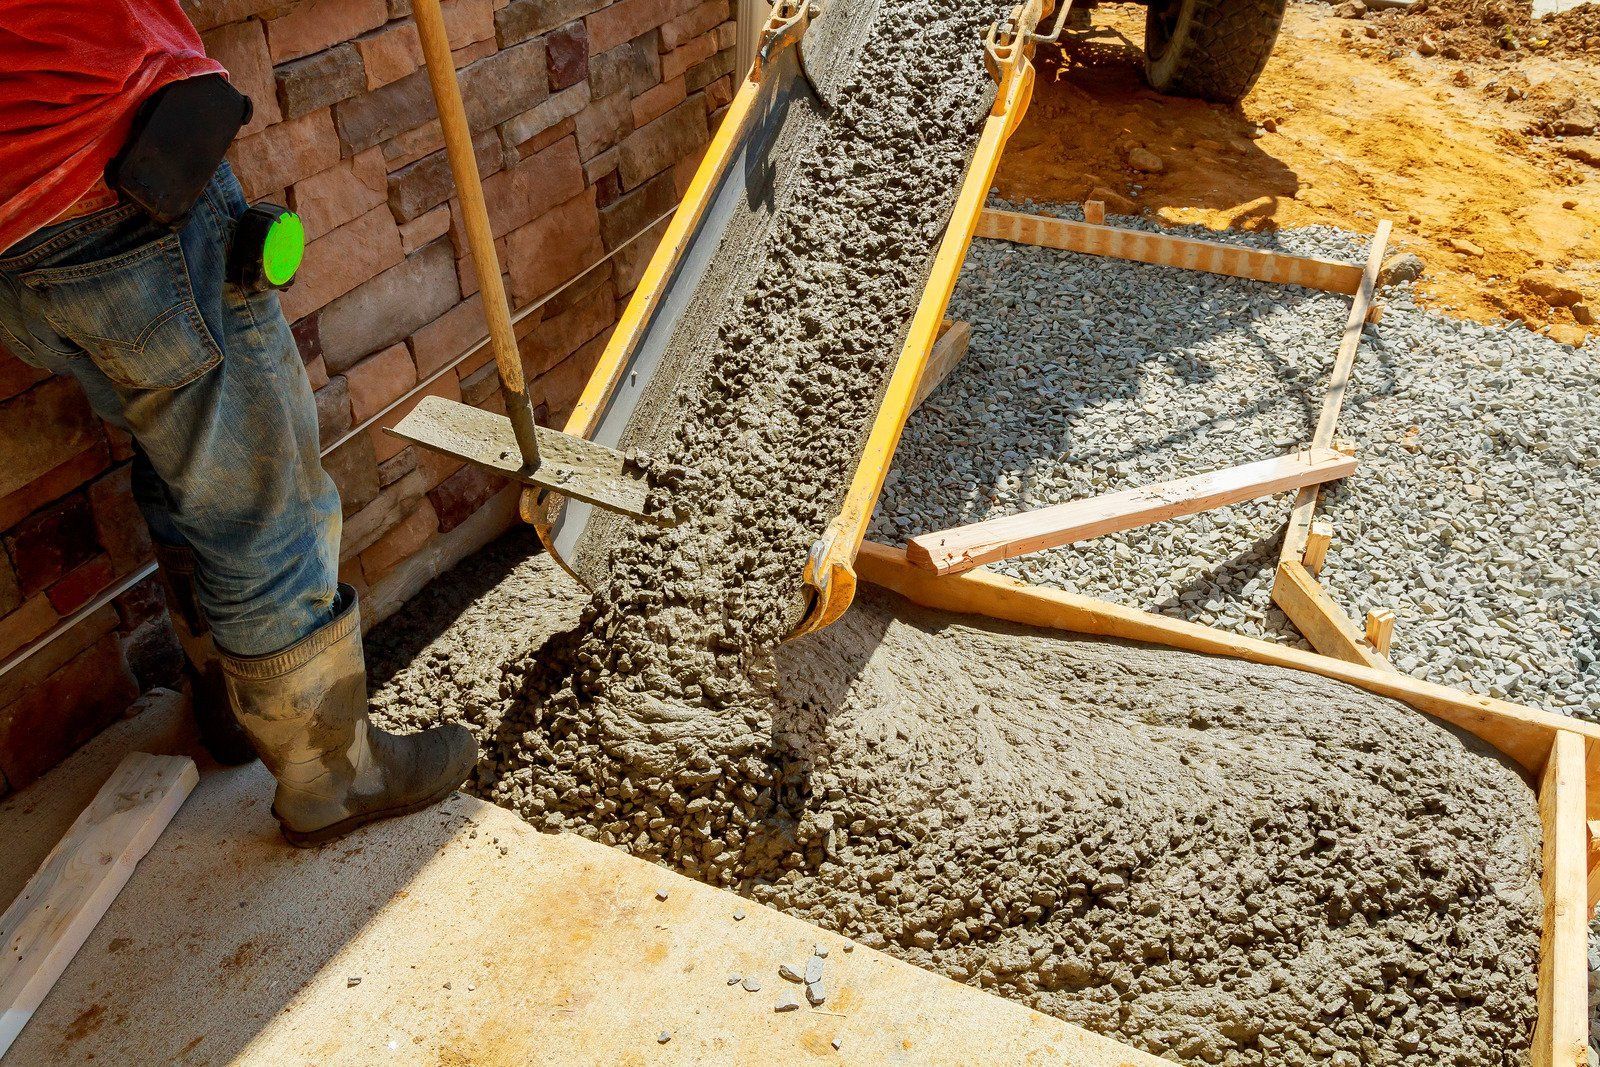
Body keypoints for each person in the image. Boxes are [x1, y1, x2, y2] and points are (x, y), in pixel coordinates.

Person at [0, 0, 477, 845]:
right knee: (260, 493)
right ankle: (330, 775)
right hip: (111, 168)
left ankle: (224, 703)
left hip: (18, 239)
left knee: (177, 451)